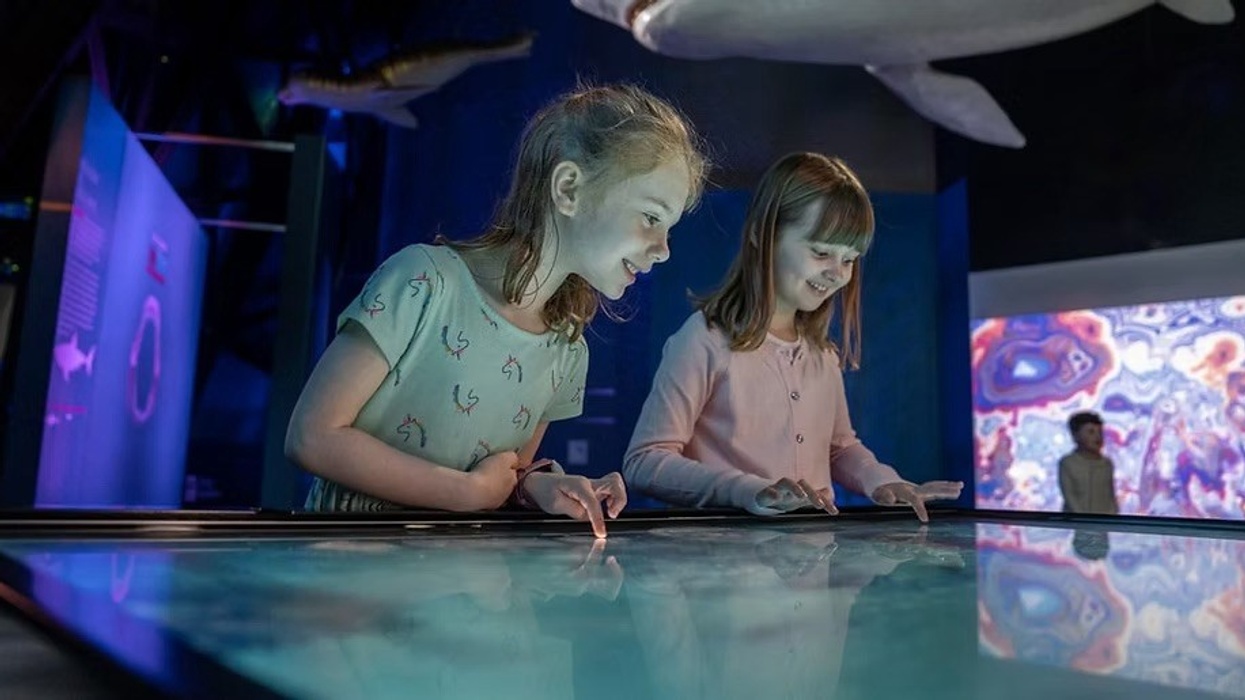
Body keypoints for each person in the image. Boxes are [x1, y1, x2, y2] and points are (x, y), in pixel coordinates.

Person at [285, 83, 708, 537]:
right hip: (344, 575)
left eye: (669, 227)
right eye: (650, 216)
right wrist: (462, 493)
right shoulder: (422, 282)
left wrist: (541, 487)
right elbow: (312, 437)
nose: (664, 249)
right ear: (569, 189)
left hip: (450, 586)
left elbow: (502, 476)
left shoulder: (567, 349)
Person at [623, 152, 961, 522]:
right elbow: (645, 460)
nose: (837, 274)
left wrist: (882, 481)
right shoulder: (702, 340)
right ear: (761, 234)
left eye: (849, 259)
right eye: (821, 252)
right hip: (719, 565)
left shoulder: (823, 355)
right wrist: (748, 490)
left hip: (814, 567)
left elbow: (839, 448)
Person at [1057, 411, 1119, 514]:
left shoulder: (1107, 464)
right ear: (1075, 436)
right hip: (1075, 523)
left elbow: (1111, 495)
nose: (1097, 437)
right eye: (1091, 432)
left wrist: (1112, 516)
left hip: (1103, 524)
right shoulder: (1067, 463)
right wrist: (1084, 521)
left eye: (1100, 432)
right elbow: (1070, 497)